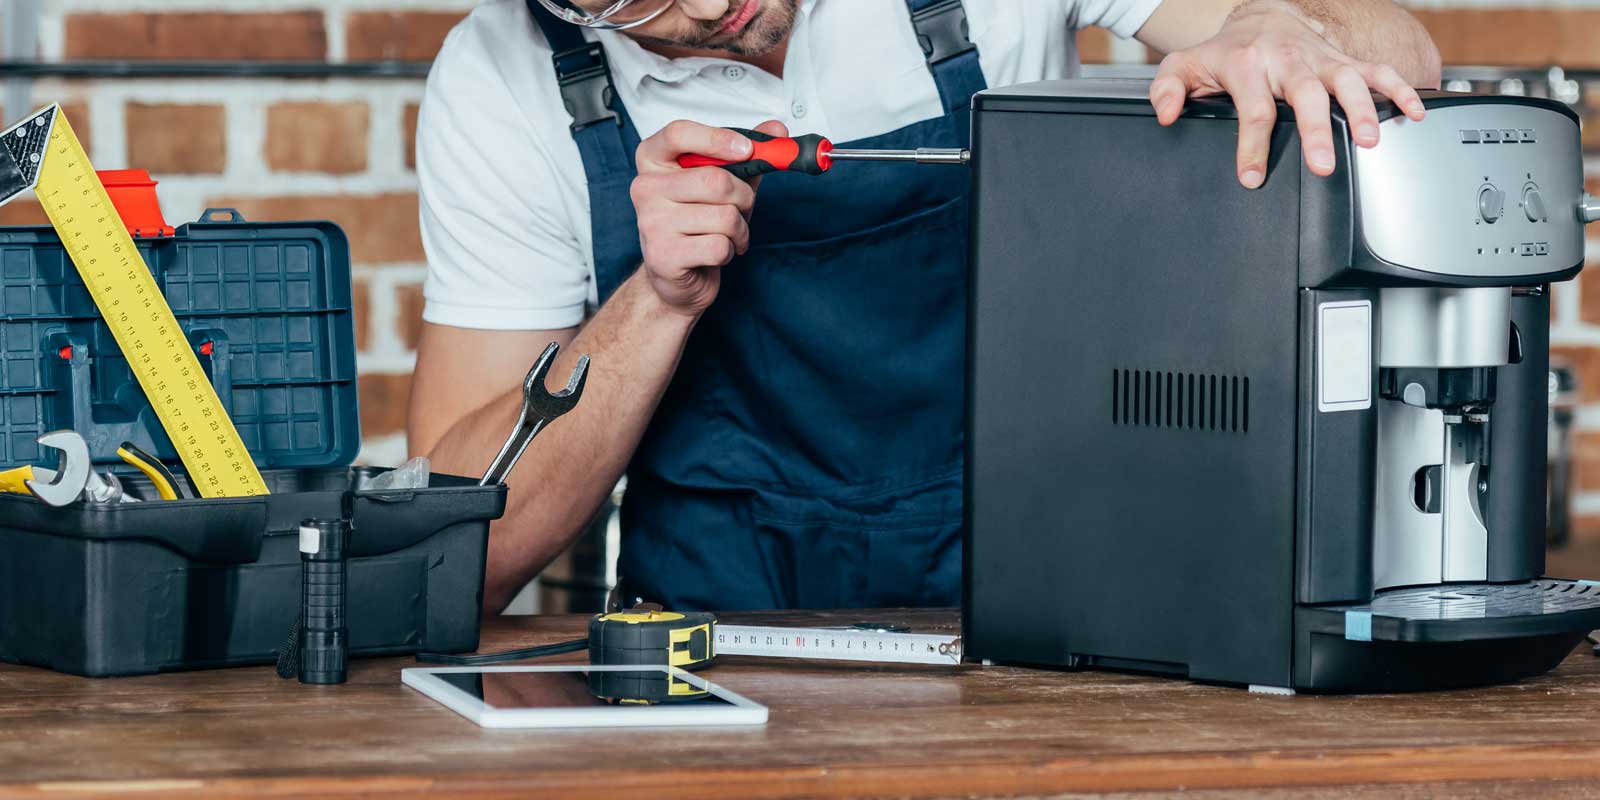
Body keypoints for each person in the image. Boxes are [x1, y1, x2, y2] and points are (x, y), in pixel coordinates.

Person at [408, 0, 1441, 614]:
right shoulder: (502, 83)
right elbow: (454, 556)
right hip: (720, 653)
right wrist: (655, 299)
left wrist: (1279, 32)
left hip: (1045, 615)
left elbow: (1406, 45)